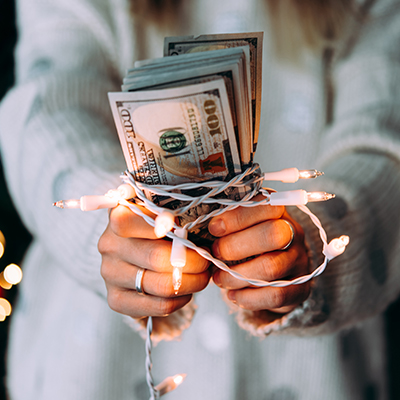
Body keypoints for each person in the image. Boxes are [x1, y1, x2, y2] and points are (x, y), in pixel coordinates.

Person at [0, 0, 400, 399]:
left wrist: (317, 242)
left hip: (318, 373)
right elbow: (51, 107)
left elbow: (385, 139)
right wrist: (113, 226)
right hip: (91, 369)